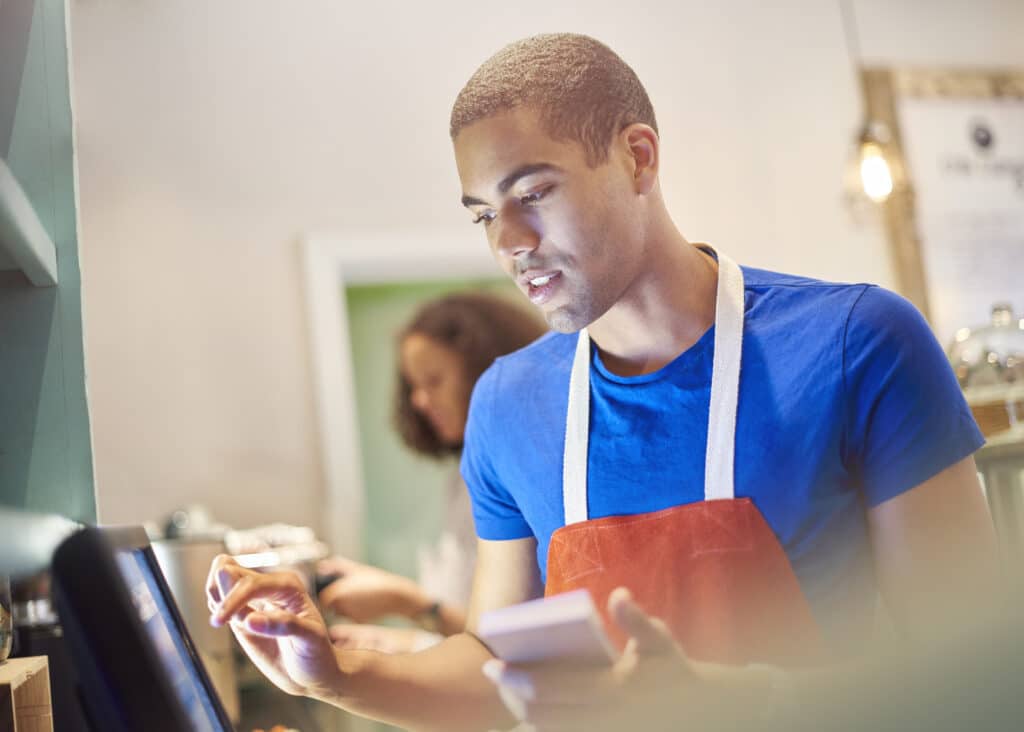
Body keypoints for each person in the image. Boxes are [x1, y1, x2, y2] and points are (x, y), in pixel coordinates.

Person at [208, 33, 999, 731]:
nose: (510, 243)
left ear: (638, 157)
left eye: (534, 192)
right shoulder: (507, 404)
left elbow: (973, 676)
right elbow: (494, 675)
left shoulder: (858, 345)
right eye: (483, 214)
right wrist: (335, 673)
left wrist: (746, 707)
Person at [318, 292, 546, 654]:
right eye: (414, 385)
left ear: (485, 373)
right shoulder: (462, 480)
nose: (419, 401)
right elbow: (470, 638)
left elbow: (518, 642)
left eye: (434, 380)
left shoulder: (531, 478)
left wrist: (410, 604)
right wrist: (398, 642)